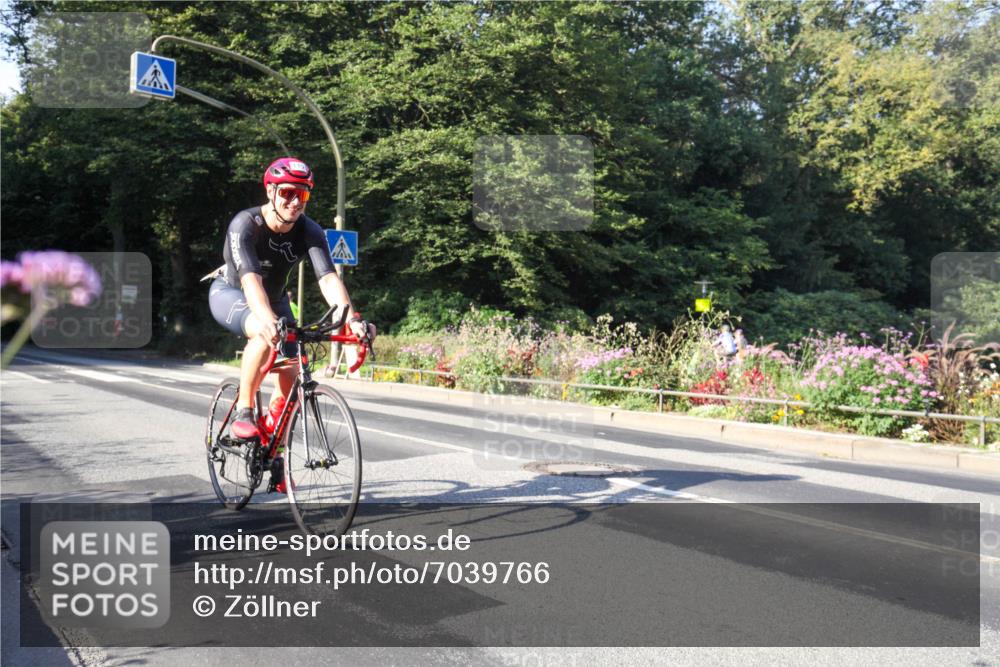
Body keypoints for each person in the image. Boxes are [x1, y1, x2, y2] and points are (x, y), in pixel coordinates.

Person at [208, 157, 374, 439]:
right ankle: (245, 410)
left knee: (293, 364)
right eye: (287, 193)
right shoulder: (246, 225)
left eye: (303, 194)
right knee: (263, 334)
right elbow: (250, 281)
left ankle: (274, 444)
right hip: (232, 293)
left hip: (274, 299)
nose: (296, 201)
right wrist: (267, 320)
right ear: (270, 192)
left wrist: (352, 321)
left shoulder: (310, 231)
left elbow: (328, 278)